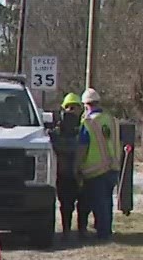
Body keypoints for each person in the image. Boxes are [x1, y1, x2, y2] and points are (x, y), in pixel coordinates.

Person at [77, 90, 123, 241]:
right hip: (113, 167)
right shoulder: (112, 120)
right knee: (106, 201)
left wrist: (77, 166)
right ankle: (106, 230)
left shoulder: (88, 123)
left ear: (86, 106)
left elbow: (83, 147)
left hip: (95, 170)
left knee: (98, 202)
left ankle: (102, 234)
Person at [51, 92, 86, 234]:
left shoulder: (86, 127)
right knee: (66, 205)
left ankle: (82, 230)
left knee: (84, 204)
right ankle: (66, 230)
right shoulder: (56, 132)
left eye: (75, 107)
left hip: (82, 172)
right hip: (64, 174)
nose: (72, 111)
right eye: (69, 108)